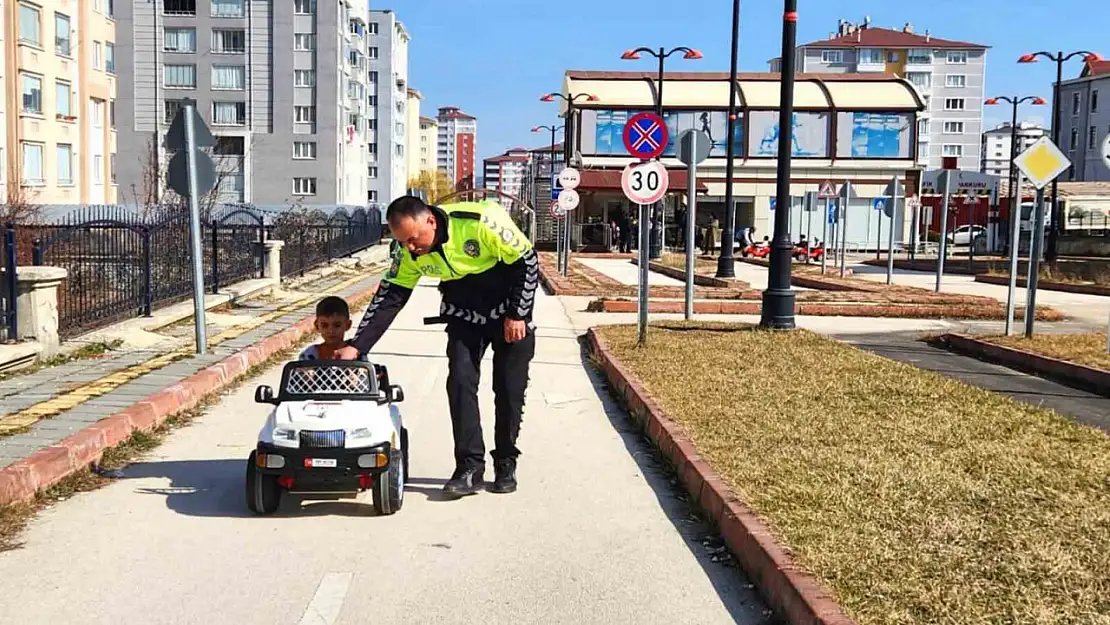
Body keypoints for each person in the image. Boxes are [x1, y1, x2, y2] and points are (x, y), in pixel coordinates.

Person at [333, 196, 539, 499]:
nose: (410, 248)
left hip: (509, 309)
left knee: (508, 389)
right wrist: (357, 346)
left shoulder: (479, 221)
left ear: (430, 220)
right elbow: (390, 296)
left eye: (414, 239)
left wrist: (518, 314)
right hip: (464, 313)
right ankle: (469, 466)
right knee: (460, 383)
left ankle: (506, 460)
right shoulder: (406, 252)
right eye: (402, 242)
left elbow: (527, 261)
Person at [299, 296, 354, 361]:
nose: (331, 331)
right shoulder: (310, 355)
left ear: (348, 325)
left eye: (337, 325)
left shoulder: (354, 353)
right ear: (317, 326)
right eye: (324, 325)